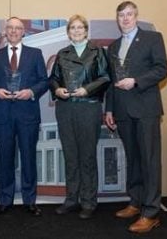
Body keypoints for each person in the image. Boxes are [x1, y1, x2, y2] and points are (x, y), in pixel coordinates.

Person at [105, 1, 167, 233]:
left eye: (129, 14)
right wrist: (109, 109)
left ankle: (151, 212)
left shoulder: (153, 38)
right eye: (121, 15)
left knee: (149, 160)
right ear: (117, 18)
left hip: (146, 109)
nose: (125, 18)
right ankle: (135, 201)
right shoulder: (113, 47)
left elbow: (162, 69)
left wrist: (136, 81)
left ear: (136, 16)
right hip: (122, 111)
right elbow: (112, 82)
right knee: (133, 159)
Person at [0, 17, 48, 216]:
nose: (13, 31)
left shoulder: (35, 54)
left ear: (23, 32)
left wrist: (31, 92)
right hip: (3, 114)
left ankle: (30, 201)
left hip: (27, 114)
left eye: (17, 28)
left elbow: (44, 81)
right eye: (10, 28)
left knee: (29, 159)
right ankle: (5, 201)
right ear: (5, 31)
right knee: (5, 160)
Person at [49, 14, 110, 219]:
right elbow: (54, 79)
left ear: (86, 30)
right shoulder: (62, 53)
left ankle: (89, 201)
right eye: (72, 28)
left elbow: (105, 77)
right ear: (68, 32)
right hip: (65, 109)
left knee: (87, 156)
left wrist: (87, 89)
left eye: (80, 27)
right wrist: (57, 90)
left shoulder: (97, 51)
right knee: (71, 156)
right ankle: (71, 199)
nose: (76, 31)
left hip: (88, 107)